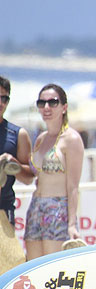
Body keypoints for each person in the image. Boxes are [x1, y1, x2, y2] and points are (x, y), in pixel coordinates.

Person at [25, 83, 85, 260]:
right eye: (41, 103)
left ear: (64, 107)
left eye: (53, 102)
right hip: (36, 206)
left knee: (52, 267)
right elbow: (34, 175)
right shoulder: (41, 139)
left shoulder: (72, 139)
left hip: (58, 208)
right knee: (33, 267)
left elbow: (73, 186)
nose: (46, 107)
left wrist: (72, 224)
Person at [0, 75, 33, 273]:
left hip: (3, 208)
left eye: (5, 99)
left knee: (11, 263)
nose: (1, 103)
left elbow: (29, 178)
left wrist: (13, 164)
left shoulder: (17, 134)